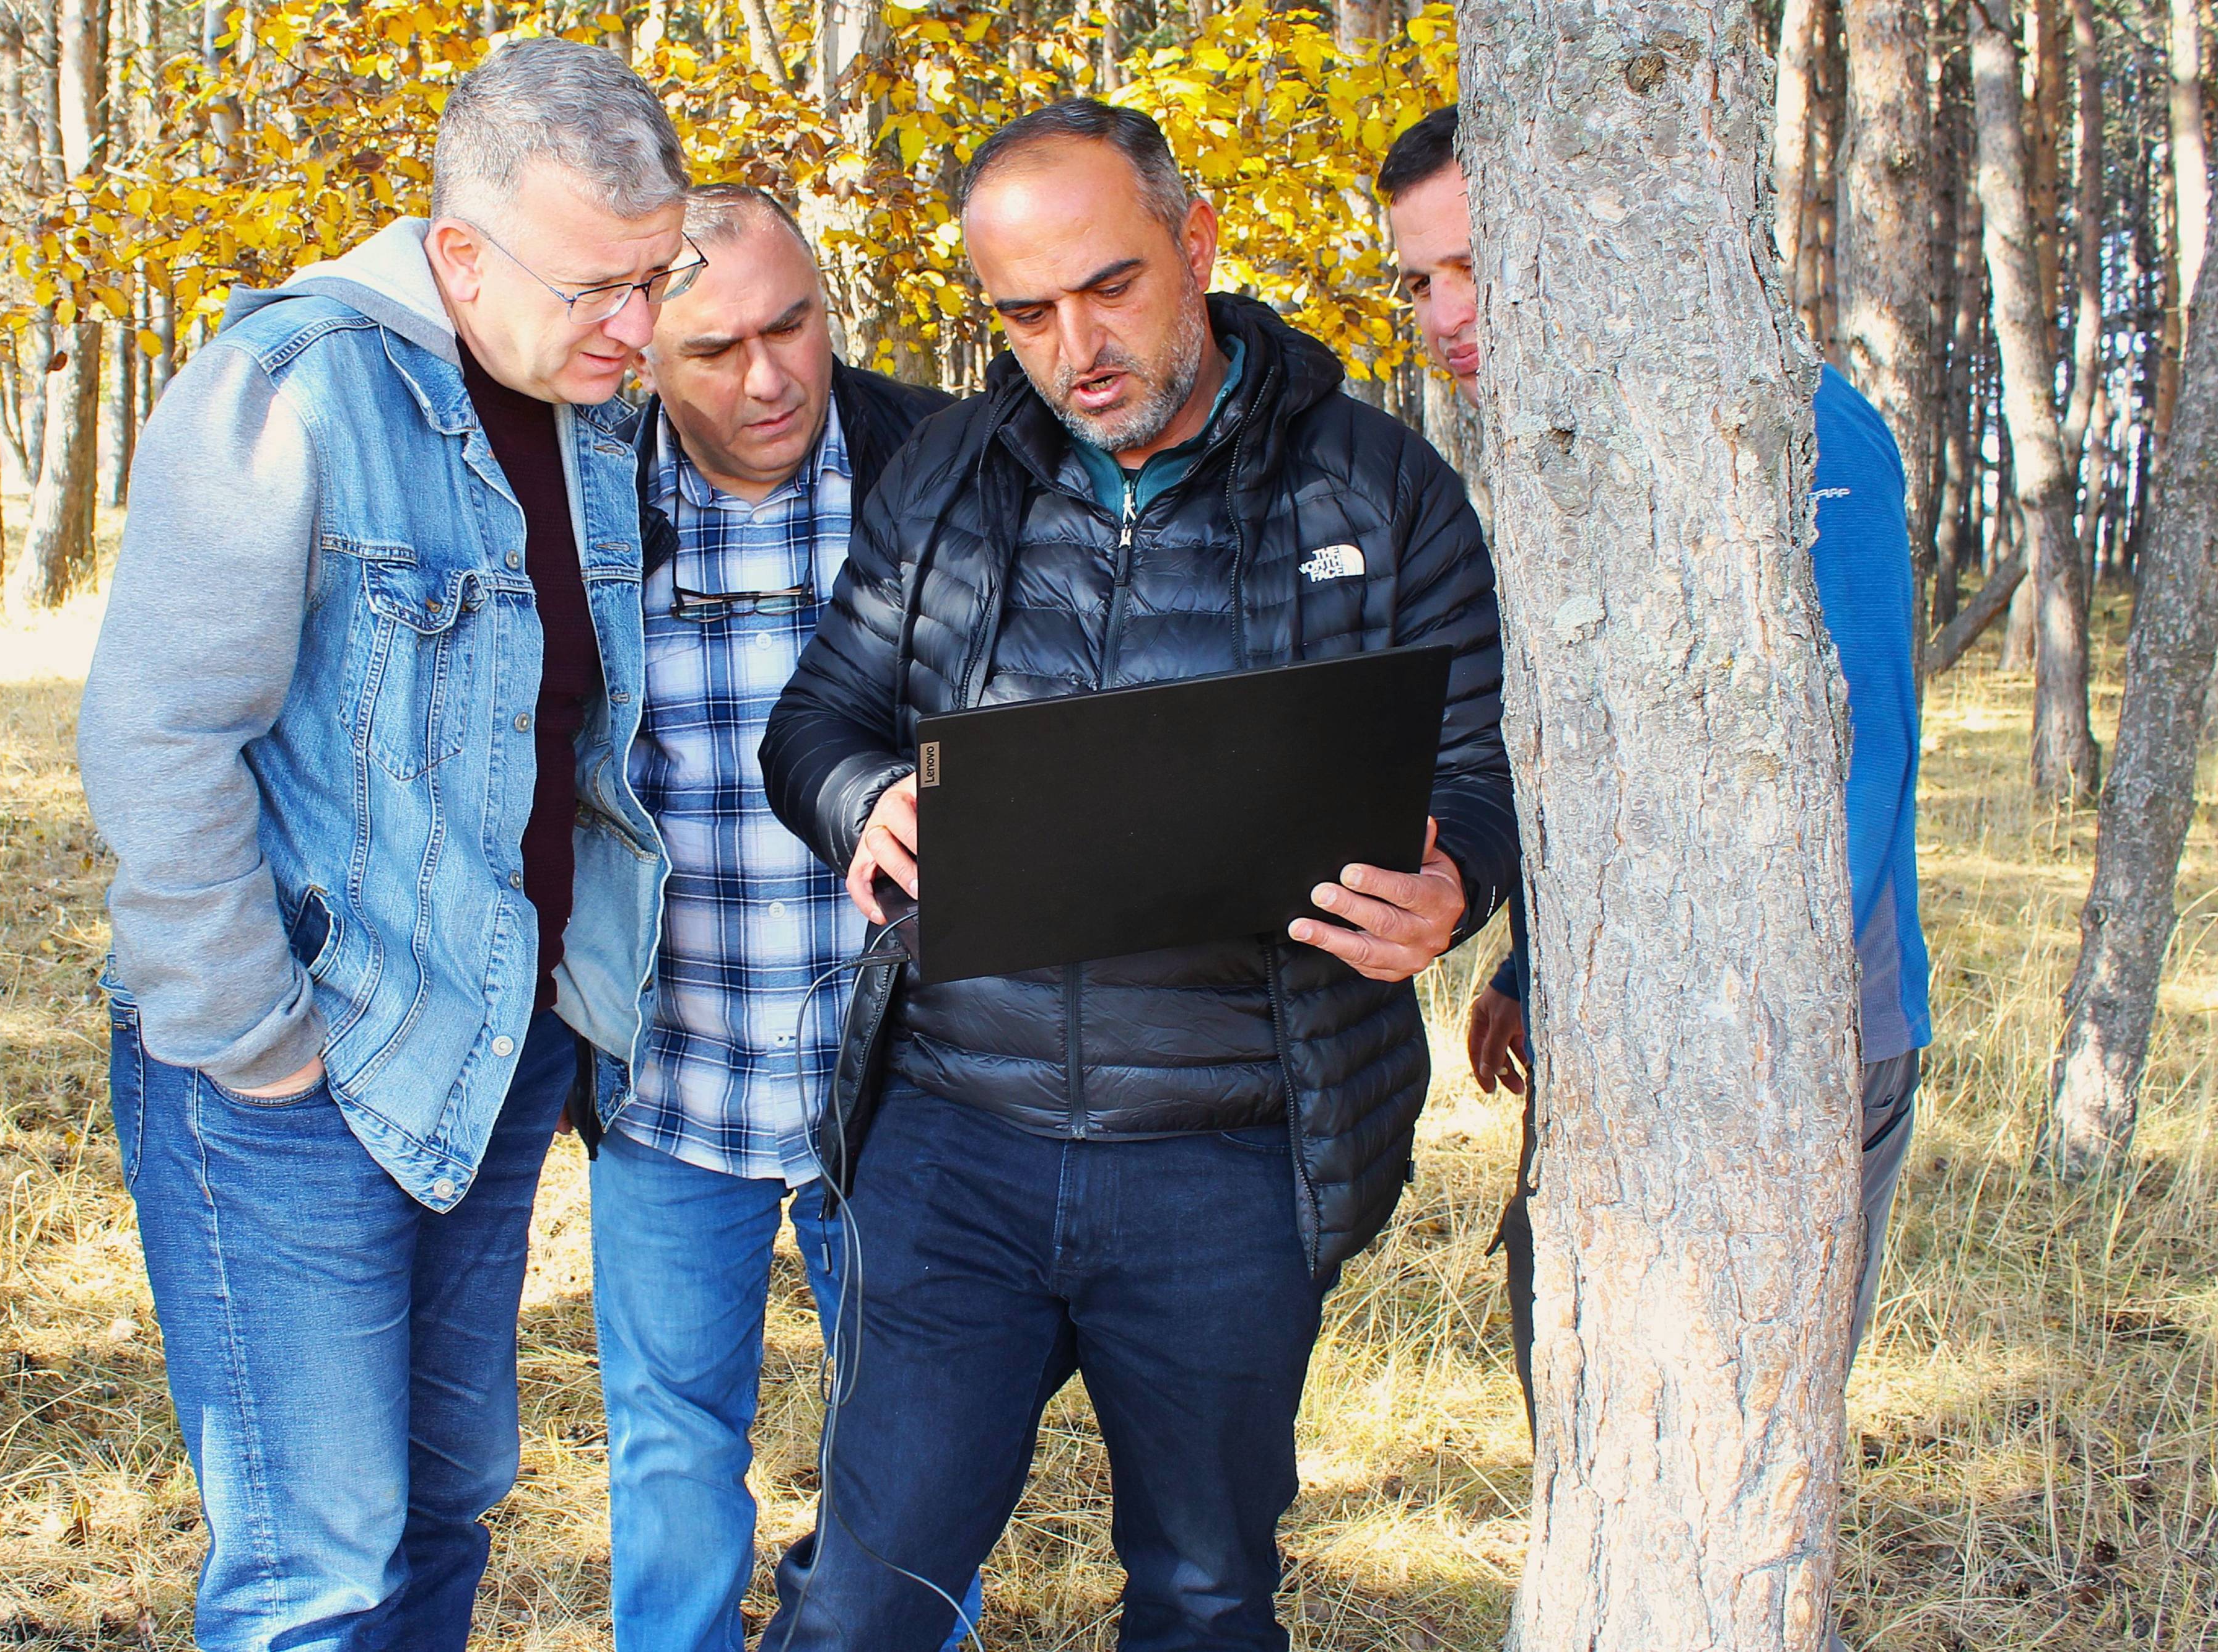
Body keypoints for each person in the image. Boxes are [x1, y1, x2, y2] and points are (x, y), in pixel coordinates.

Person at [754, 99, 1516, 1651]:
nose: (1075, 348)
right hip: (955, 1135)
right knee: (865, 1595)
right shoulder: (949, 478)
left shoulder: (1374, 489)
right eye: (1024, 313)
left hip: (1235, 1147)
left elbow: (1478, 768)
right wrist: (860, 798)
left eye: (1109, 287)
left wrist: (1454, 888)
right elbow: (814, 721)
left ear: (1196, 245)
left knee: (1204, 1590)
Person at [74, 40, 693, 1650]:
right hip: (304, 1065)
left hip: (496, 1050)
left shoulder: (590, 412)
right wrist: (253, 1036)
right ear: (461, 255)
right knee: (318, 1565)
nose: (638, 327)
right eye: (598, 288)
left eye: (657, 277)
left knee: (443, 1501)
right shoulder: (290, 390)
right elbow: (158, 733)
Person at [1379, 103, 1932, 1440]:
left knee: (1731, 1438)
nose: (1446, 313)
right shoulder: (1567, 444)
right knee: (1581, 1400)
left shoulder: (1793, 422)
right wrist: (1538, 970)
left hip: (1784, 1035)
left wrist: (1748, 1033)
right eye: (1419, 281)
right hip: (1622, 1025)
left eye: (1476, 265)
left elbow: (1858, 754)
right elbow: (1605, 758)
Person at [587, 183, 971, 1652]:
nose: (769, 376)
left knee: (912, 1448)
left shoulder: (942, 466)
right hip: (669, 1079)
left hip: (907, 1081)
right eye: (715, 349)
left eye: (792, 324)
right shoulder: (587, 497)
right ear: (639, 347)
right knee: (671, 1443)